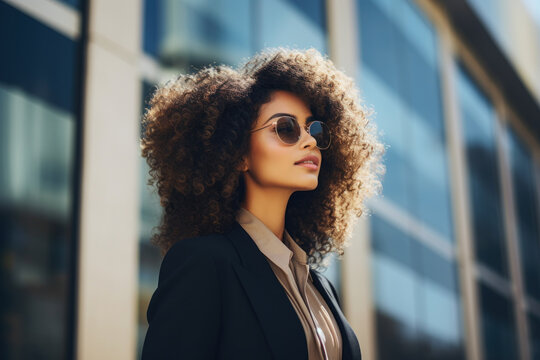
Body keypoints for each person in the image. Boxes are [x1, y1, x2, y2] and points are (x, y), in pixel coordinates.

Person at [140, 47, 384, 360]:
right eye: (286, 129)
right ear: (238, 153)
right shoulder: (204, 264)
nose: (309, 141)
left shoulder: (319, 284)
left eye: (315, 129)